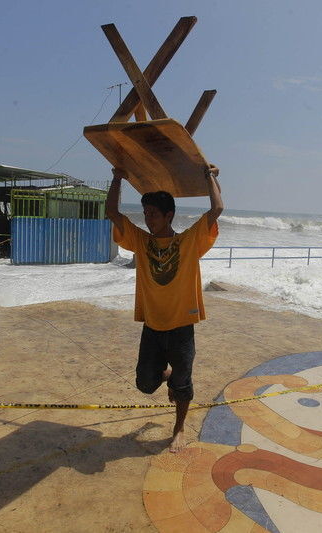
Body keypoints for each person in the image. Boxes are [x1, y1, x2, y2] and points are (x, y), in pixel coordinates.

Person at [106, 164, 223, 453]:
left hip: (182, 326)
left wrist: (210, 177)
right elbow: (112, 213)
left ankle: (179, 428)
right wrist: (118, 177)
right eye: (145, 214)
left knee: (183, 385)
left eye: (153, 214)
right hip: (153, 326)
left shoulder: (188, 241)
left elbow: (217, 208)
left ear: (169, 215)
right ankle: (168, 375)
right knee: (145, 384)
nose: (148, 220)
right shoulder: (141, 241)